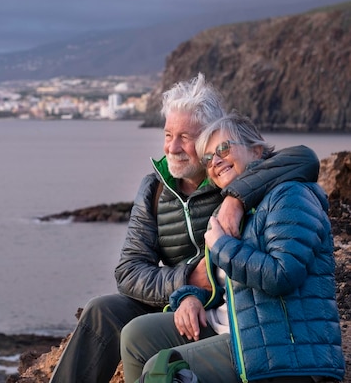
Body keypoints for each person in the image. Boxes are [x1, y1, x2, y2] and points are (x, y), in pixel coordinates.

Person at [49, 73, 321, 383]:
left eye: (185, 137)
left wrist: (236, 197)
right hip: (176, 300)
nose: (172, 147)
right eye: (167, 134)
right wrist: (189, 281)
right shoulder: (154, 189)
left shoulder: (230, 171)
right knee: (101, 311)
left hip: (231, 305)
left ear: (210, 136)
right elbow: (128, 272)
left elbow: (303, 159)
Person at [120, 113, 345, 383]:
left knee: (162, 367)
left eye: (224, 149)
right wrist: (190, 297)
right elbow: (220, 281)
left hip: (281, 347)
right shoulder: (230, 210)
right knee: (136, 336)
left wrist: (223, 246)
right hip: (233, 327)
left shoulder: (289, 195)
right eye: (208, 158)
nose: (215, 161)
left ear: (256, 149)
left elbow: (283, 275)